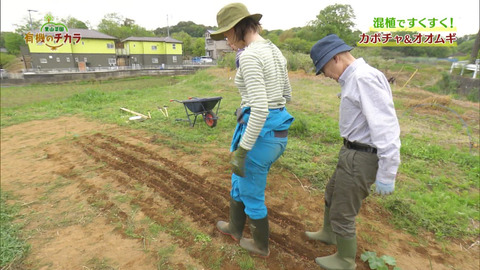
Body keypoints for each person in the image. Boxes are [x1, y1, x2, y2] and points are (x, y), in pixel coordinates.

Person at [306, 34, 401, 270]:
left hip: (362, 156)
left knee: (343, 210)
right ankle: (329, 234)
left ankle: (345, 260)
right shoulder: (353, 78)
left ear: (336, 58)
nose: (326, 75)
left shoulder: (364, 78)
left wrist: (388, 173)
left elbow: (386, 126)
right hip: (350, 150)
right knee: (331, 193)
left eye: (324, 69)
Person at [210, 3, 294, 257]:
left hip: (261, 134)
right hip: (275, 130)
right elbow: (286, 94)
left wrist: (243, 149)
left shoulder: (249, 56)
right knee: (239, 178)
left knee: (251, 189)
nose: (226, 40)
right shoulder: (273, 50)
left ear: (237, 28)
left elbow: (260, 110)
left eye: (226, 35)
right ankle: (235, 227)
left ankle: (260, 245)